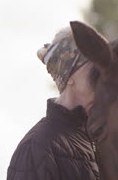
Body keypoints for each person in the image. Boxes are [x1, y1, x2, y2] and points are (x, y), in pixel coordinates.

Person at [7, 27, 101, 180]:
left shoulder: (102, 138)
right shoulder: (36, 147)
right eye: (92, 61)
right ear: (69, 76)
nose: (101, 69)